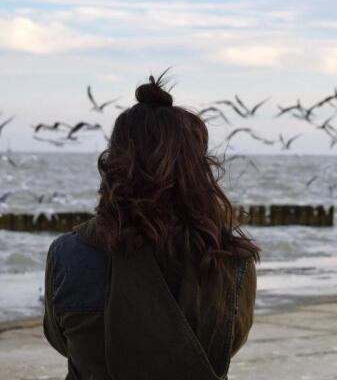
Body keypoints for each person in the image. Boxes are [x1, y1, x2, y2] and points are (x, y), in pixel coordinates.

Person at [43, 72, 260, 380]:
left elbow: (60, 339)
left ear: (114, 163)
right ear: (197, 170)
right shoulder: (231, 259)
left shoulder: (69, 252)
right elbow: (228, 344)